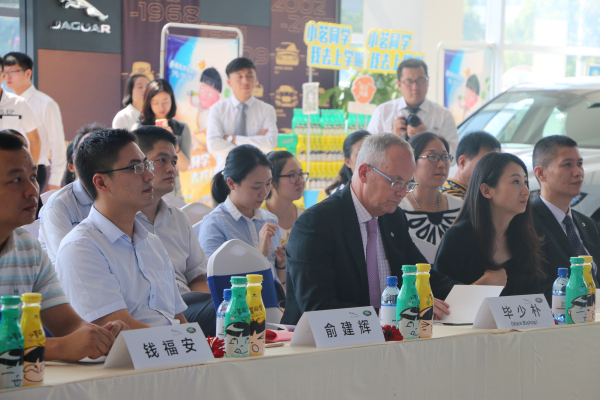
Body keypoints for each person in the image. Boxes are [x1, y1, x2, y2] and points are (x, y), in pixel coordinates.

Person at [281, 133, 461, 325]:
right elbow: (318, 307)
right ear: (364, 173)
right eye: (395, 182)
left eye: (408, 184)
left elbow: (423, 276)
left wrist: (471, 295)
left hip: (388, 335)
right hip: (317, 338)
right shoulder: (316, 224)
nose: (402, 193)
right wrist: (395, 313)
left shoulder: (394, 218)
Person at [0, 131, 128, 361]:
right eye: (16, 180)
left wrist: (102, 335)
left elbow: (68, 325)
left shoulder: (28, 249)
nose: (32, 190)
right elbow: (64, 341)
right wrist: (58, 348)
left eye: (33, 177)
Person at [55, 129, 187, 329]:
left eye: (146, 165)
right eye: (136, 168)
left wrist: (195, 343)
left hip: (172, 345)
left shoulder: (152, 242)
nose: (149, 175)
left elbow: (179, 319)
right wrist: (183, 341)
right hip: (136, 349)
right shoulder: (81, 247)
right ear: (102, 182)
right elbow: (120, 328)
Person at [135, 125, 216, 336]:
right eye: (162, 160)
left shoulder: (178, 218)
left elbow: (197, 277)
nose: (171, 169)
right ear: (138, 164)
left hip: (186, 306)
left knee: (234, 307)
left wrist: (215, 304)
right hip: (150, 312)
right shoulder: (123, 220)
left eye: (173, 161)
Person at [435, 152, 546, 296]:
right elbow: (439, 297)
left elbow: (535, 297)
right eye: (515, 182)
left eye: (525, 182)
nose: (526, 191)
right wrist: (480, 286)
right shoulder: (458, 237)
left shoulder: (525, 235)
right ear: (486, 190)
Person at [199, 144, 286, 294]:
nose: (264, 193)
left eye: (268, 184)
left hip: (275, 299)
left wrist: (281, 264)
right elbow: (217, 285)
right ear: (231, 183)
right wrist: (259, 255)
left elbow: (279, 281)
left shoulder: (270, 220)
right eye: (256, 187)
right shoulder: (215, 224)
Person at [531, 135, 600, 294]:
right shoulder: (528, 224)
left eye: (580, 164)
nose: (578, 172)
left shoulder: (588, 225)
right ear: (541, 173)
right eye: (567, 164)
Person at [38, 123, 105, 263]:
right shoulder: (58, 205)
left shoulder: (123, 196)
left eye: (103, 152)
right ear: (74, 162)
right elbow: (68, 263)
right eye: (88, 152)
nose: (96, 159)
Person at [367, 59, 459, 158]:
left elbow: (454, 156)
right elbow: (368, 152)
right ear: (399, 85)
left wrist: (427, 138)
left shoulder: (443, 115)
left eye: (420, 80)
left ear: (428, 82)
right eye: (409, 82)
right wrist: (392, 140)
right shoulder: (383, 112)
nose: (415, 87)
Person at [4, 52, 65, 192]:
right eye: (4, 72)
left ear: (28, 73)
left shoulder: (46, 103)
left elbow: (57, 143)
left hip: (34, 170)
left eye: (12, 71)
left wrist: (55, 180)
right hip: (8, 169)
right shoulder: (7, 103)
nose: (7, 76)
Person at [207, 57, 277, 171]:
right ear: (229, 82)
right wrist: (254, 143)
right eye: (239, 76)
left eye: (249, 76)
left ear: (256, 80)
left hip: (257, 173)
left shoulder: (267, 110)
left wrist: (232, 138)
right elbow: (213, 145)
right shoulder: (218, 109)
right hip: (224, 173)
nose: (245, 81)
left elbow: (269, 144)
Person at [401, 133, 463, 249]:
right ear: (412, 161)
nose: (442, 164)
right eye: (433, 157)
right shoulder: (397, 208)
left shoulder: (460, 206)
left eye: (445, 157)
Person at [134, 78, 190, 199]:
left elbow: (185, 166)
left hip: (173, 193)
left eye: (166, 101)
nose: (161, 106)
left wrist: (172, 141)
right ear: (148, 103)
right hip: (145, 190)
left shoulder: (181, 129)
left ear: (172, 100)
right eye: (156, 102)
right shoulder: (139, 129)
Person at [0, 55, 41, 180]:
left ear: (3, 75)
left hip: (12, 169)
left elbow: (34, 140)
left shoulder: (19, 103)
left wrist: (30, 172)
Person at [262, 151, 307, 245]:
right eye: (292, 175)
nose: (300, 181)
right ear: (271, 181)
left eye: (301, 174)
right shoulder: (256, 218)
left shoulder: (307, 217)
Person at [441, 131, 501, 199]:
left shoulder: (475, 194)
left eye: (495, 165)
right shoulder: (450, 199)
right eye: (485, 164)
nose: (492, 171)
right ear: (463, 162)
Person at [325, 130, 370, 196]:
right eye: (361, 155)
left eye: (372, 153)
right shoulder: (340, 196)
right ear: (348, 162)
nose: (368, 159)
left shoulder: (383, 190)